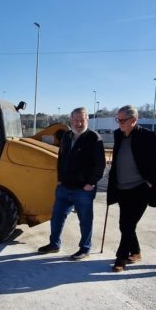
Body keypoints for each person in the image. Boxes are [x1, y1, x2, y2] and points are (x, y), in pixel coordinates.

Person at [38, 107, 106, 260]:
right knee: (56, 217)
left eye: (82, 120)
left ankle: (85, 248)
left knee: (85, 220)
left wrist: (91, 183)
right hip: (64, 187)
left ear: (87, 120)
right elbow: (61, 159)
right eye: (76, 120)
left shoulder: (94, 138)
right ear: (71, 120)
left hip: (83, 189)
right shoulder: (67, 136)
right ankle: (54, 244)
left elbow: (100, 164)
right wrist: (60, 179)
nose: (78, 123)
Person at [107, 105, 156, 272]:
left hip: (140, 188)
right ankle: (136, 252)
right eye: (117, 120)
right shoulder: (118, 135)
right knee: (125, 224)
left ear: (133, 120)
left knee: (128, 224)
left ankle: (121, 257)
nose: (119, 123)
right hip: (121, 188)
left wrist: (148, 181)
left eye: (122, 120)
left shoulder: (148, 136)